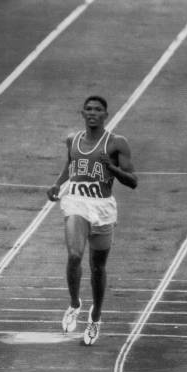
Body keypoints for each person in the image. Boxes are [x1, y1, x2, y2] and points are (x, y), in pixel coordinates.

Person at [47, 95, 137, 345]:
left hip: (103, 208)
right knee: (75, 255)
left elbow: (133, 181)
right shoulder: (72, 140)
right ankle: (74, 304)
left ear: (106, 115)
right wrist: (57, 184)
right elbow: (70, 164)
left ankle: (95, 316)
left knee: (98, 268)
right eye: (88, 109)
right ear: (82, 113)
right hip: (76, 203)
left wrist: (113, 168)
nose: (93, 113)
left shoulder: (117, 143)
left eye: (98, 110)